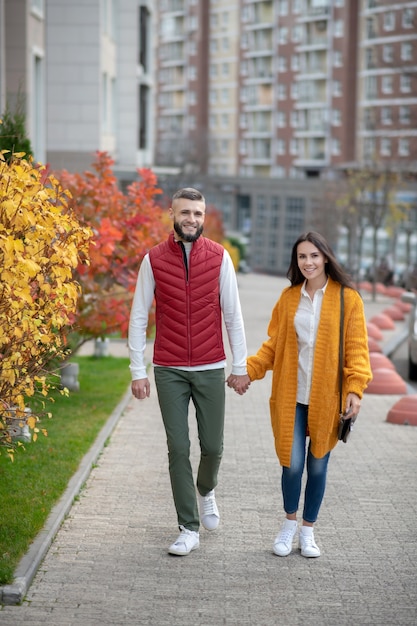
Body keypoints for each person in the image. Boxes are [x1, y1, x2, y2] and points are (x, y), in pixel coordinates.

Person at [228, 231, 372, 558]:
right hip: (291, 397)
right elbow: (274, 347)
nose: (308, 262)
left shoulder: (347, 299)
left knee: (318, 466)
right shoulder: (289, 298)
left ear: (326, 258)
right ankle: (288, 524)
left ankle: (308, 531)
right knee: (292, 464)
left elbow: (357, 351)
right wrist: (246, 371)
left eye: (314, 256)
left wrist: (355, 390)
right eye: (302, 257)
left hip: (327, 400)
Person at [128, 187, 248, 556]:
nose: (192, 219)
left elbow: (233, 315)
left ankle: (206, 489)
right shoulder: (152, 259)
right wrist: (138, 370)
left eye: (197, 213)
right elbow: (138, 316)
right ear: (172, 214)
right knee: (178, 447)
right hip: (169, 368)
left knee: (212, 448)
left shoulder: (219, 257)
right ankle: (187, 526)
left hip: (212, 366)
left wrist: (240, 365)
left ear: (204, 215)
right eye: (185, 213)